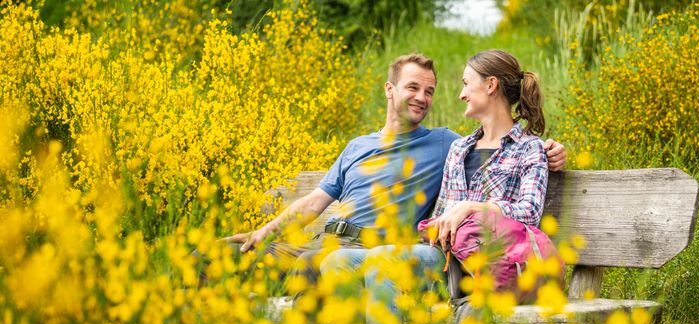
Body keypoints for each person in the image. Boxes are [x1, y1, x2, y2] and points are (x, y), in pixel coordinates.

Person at [220, 53, 566, 288]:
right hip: (326, 243)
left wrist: (550, 150)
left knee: (314, 269)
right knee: (214, 257)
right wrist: (264, 232)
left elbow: (503, 147)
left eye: (429, 91)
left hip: (367, 252)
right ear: (390, 90)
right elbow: (313, 202)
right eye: (413, 88)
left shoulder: (445, 143)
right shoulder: (359, 145)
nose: (423, 97)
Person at [325, 49, 553, 324]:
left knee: (384, 261)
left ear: (491, 85)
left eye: (466, 83)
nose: (460, 94)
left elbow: (530, 211)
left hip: (488, 264)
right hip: (444, 258)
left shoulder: (528, 148)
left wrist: (473, 208)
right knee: (338, 261)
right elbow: (441, 213)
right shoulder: (460, 149)